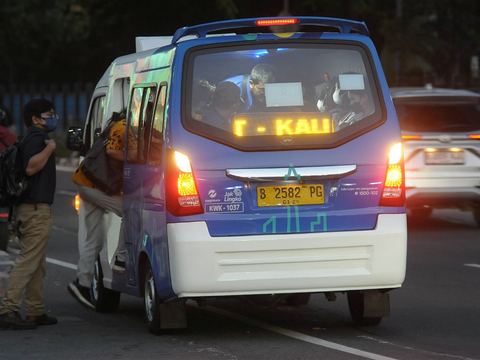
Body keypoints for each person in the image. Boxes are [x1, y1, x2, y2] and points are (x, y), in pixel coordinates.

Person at [0, 99, 57, 330]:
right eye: (49, 114)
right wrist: (50, 148)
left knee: (37, 262)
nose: (54, 117)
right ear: (35, 119)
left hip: (28, 207)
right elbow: (31, 167)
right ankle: (7, 309)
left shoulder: (27, 137)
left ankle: (35, 310)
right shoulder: (36, 138)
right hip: (35, 209)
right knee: (28, 261)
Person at [67, 111, 127, 309]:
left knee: (95, 238)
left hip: (87, 182)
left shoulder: (118, 124)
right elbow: (112, 151)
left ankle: (81, 284)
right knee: (130, 211)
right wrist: (138, 156)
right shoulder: (123, 125)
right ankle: (120, 257)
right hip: (94, 186)